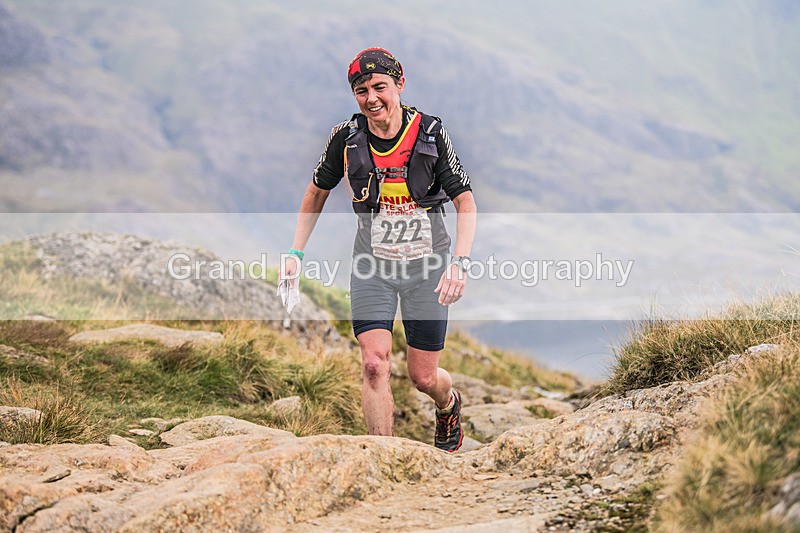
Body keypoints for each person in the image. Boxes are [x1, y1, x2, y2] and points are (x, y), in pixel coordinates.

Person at [281, 47, 476, 452]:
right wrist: (295, 255)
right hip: (373, 268)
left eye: (380, 87)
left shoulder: (429, 134)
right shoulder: (346, 138)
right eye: (361, 90)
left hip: (428, 268)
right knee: (373, 364)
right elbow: (316, 192)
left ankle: (448, 404)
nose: (371, 98)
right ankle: (382, 458)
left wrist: (458, 263)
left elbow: (465, 202)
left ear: (400, 84)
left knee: (424, 378)